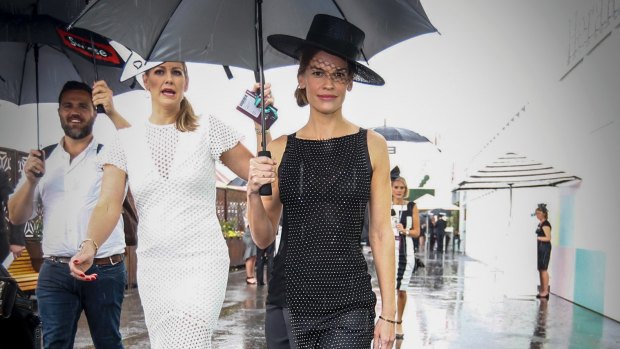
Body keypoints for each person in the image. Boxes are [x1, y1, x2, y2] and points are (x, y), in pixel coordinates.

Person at [66, 62, 273, 348]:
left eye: (177, 72)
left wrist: (260, 126)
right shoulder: (125, 139)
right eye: (160, 72)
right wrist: (89, 245)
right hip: (154, 266)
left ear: (186, 82)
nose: (169, 79)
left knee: (189, 341)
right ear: (146, 80)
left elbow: (259, 173)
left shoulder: (208, 128)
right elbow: (107, 205)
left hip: (202, 261)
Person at [247, 14, 396, 348]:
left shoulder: (372, 145)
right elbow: (263, 236)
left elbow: (381, 232)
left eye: (338, 73)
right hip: (290, 301)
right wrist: (253, 194)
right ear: (301, 78)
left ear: (350, 81)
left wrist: (390, 312)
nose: (328, 83)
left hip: (351, 305)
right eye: (317, 71)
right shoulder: (278, 148)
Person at [8, 80, 128, 349]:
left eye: (83, 106)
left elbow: (138, 147)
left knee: (108, 342)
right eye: (68, 105)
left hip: (104, 267)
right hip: (55, 271)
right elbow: (16, 216)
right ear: (59, 111)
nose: (75, 111)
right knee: (54, 344)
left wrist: (113, 110)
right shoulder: (43, 158)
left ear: (94, 111)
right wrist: (30, 182)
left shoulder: (111, 153)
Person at [390, 176, 420, 340]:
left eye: (402, 188)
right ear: (391, 188)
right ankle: (387, 320)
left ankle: (399, 321)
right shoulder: (386, 205)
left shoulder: (412, 206)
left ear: (405, 189)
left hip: (406, 252)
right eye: (396, 187)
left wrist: (405, 231)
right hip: (389, 251)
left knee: (401, 289)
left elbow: (417, 232)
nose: (399, 190)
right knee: (388, 288)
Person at [534, 203, 552, 300]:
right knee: (540, 269)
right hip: (540, 248)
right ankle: (542, 290)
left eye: (539, 213)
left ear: (543, 214)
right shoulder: (540, 223)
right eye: (536, 213)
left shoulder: (546, 224)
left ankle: (545, 291)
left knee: (544, 269)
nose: (537, 215)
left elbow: (548, 238)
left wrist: (539, 238)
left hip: (545, 248)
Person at [243, 209, 258, 285]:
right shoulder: (249, 208)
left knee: (253, 255)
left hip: (253, 232)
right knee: (250, 255)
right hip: (250, 233)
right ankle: (249, 276)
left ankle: (251, 275)